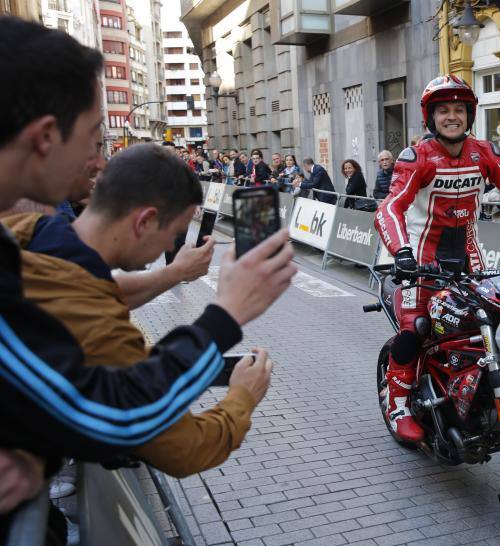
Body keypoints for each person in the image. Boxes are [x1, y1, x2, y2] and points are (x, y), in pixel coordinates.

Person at [0, 15, 296, 485]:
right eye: (94, 136)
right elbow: (116, 412)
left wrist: (36, 446)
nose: (99, 160)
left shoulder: (27, 240)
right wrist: (227, 314)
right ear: (46, 135)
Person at [3, 143, 271, 478]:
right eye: (174, 235)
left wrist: (175, 274)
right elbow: (183, 447)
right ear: (145, 221)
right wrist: (243, 395)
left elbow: (105, 293)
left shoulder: (24, 237)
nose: (168, 249)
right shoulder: (94, 317)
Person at [373, 75, 500, 442]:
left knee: (494, 325)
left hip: (469, 257)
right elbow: (389, 208)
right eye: (443, 110)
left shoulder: (485, 152)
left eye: (459, 109)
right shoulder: (417, 158)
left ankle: (481, 395)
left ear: (470, 114)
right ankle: (397, 403)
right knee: (417, 329)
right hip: (419, 259)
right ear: (430, 117)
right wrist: (401, 253)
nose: (452, 116)